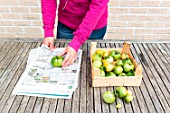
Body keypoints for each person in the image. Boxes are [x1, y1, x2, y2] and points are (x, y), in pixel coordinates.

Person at [41, 0, 109, 67]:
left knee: (89, 65)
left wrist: (77, 41)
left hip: (93, 27)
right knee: (64, 62)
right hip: (66, 24)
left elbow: (98, 5)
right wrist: (48, 30)